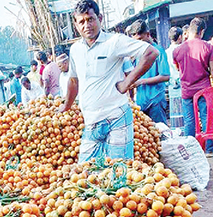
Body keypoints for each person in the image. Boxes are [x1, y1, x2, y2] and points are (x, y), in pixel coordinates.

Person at [60, 0, 158, 163]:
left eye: (90, 19)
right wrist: (66, 105)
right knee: (85, 171)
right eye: (82, 22)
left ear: (100, 18)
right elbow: (73, 80)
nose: (87, 25)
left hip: (116, 117)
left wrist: (127, 83)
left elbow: (151, 53)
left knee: (119, 171)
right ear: (76, 25)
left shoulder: (114, 41)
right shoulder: (75, 49)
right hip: (91, 121)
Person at [173, 17, 213, 157]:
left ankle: (191, 151)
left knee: (189, 121)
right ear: (202, 31)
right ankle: (209, 149)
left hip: (186, 91)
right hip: (203, 90)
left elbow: (178, 69)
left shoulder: (177, 50)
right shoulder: (208, 47)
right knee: (206, 118)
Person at [129, 20, 170, 124]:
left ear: (148, 34)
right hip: (141, 101)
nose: (138, 43)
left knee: (160, 132)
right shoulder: (139, 52)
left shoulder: (158, 51)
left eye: (140, 39)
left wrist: (141, 81)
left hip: (155, 100)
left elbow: (165, 76)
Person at [166, 26, 184, 131]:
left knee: (175, 111)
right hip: (182, 84)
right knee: (185, 112)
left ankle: (176, 133)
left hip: (172, 85)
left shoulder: (166, 52)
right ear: (180, 37)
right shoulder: (182, 50)